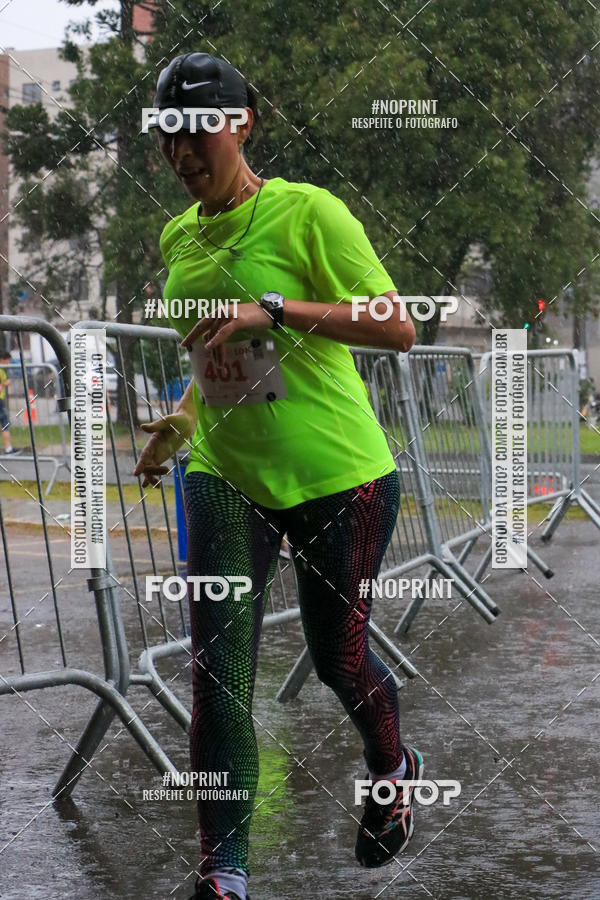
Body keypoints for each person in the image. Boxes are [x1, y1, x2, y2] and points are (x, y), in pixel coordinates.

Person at [135, 52, 421, 900]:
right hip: (226, 475)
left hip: (340, 476)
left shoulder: (308, 213)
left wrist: (273, 308)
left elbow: (397, 326)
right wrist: (182, 423)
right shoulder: (178, 237)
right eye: (168, 135)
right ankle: (225, 875)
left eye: (198, 131)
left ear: (243, 124)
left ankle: (393, 765)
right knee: (219, 674)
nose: (181, 152)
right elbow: (218, 358)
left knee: (339, 660)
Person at [0, 351, 16, 454]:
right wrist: (5, 383)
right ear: (3, 359)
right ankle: (8, 449)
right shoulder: (1, 371)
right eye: (8, 360)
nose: (9, 363)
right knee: (5, 423)